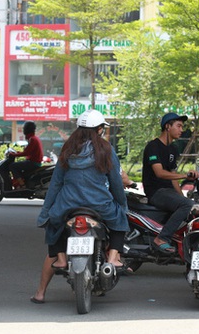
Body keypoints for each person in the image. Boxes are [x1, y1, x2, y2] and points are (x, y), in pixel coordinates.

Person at [31, 110, 128, 303]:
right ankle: (113, 259)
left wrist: (47, 211)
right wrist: (121, 205)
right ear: (99, 129)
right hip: (100, 204)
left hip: (68, 205)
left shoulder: (68, 150)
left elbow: (56, 183)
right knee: (120, 220)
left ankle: (51, 274)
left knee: (54, 225)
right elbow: (116, 183)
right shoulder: (106, 150)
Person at [142, 112, 197, 254]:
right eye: (178, 126)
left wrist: (183, 199)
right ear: (167, 126)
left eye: (182, 126)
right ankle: (162, 238)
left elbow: (173, 178)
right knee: (187, 205)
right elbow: (159, 173)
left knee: (190, 206)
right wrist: (185, 175)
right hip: (156, 192)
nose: (181, 130)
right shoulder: (153, 147)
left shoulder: (173, 149)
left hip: (168, 192)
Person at [8, 121, 43, 188]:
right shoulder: (34, 138)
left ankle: (22, 184)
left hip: (33, 163)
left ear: (27, 129)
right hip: (34, 162)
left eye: (24, 128)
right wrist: (17, 152)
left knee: (12, 166)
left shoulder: (32, 139)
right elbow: (28, 151)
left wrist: (14, 155)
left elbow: (26, 153)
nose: (23, 130)